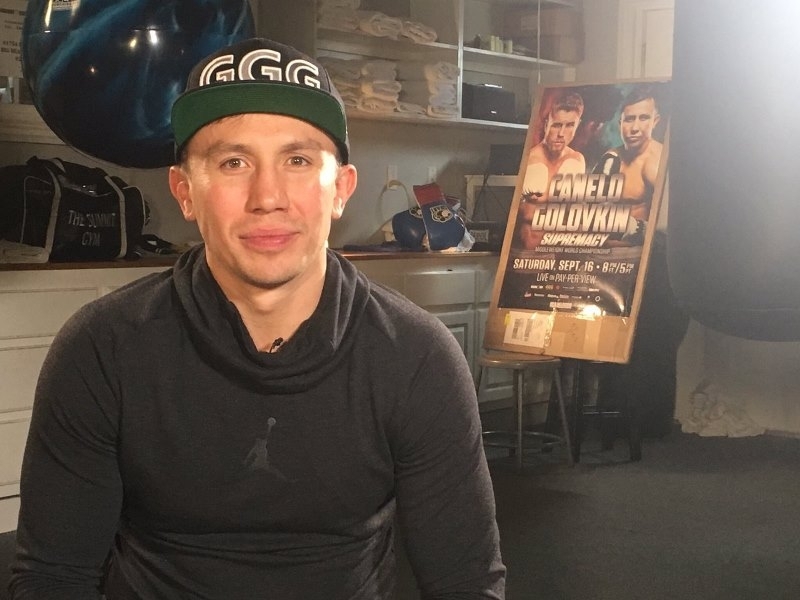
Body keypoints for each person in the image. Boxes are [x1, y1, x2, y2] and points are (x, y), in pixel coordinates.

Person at [9, 38, 505, 599]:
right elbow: (53, 577)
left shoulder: (416, 356)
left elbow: (466, 581)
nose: (267, 196)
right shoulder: (104, 348)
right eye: (233, 163)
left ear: (341, 189)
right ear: (184, 192)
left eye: (298, 161)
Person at [516, 91, 586, 249]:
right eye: (557, 125)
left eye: (570, 125)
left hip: (562, 252)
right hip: (529, 253)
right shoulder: (529, 159)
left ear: (578, 124)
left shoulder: (577, 160)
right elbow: (512, 214)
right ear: (546, 123)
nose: (561, 134)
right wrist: (522, 198)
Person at [594, 84, 664, 232]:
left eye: (643, 118)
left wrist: (635, 229)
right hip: (602, 244)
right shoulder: (611, 157)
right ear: (620, 123)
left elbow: (670, 225)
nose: (634, 128)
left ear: (655, 121)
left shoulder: (656, 163)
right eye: (629, 119)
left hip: (636, 246)